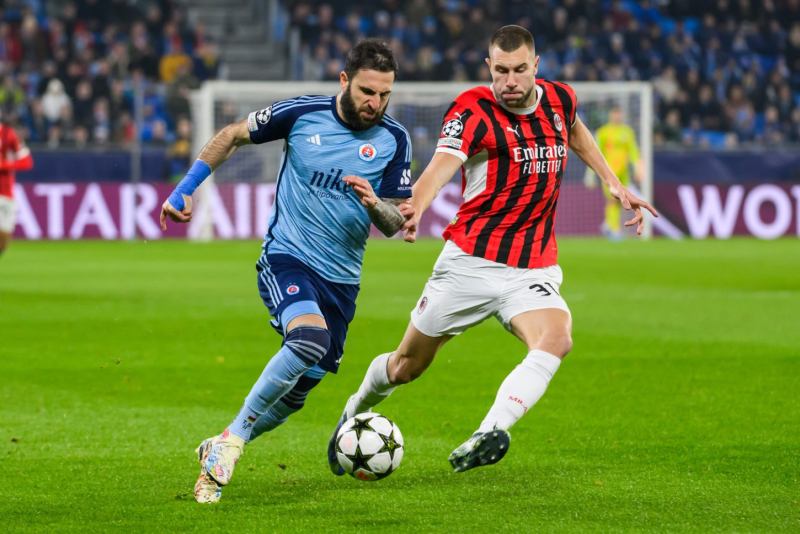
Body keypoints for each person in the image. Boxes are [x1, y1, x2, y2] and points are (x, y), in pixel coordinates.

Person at [328, 26, 658, 475]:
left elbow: (575, 131)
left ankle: (489, 431)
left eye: (520, 70)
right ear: (489, 67)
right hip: (470, 264)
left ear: (536, 66)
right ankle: (354, 410)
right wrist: (415, 207)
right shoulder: (472, 110)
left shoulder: (560, 99)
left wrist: (613, 182)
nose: (510, 81)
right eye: (500, 71)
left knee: (557, 338)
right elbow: (439, 168)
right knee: (406, 366)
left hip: (532, 267)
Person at [160, 39, 414, 502]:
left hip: (342, 280)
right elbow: (231, 135)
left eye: (384, 94)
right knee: (308, 339)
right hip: (287, 257)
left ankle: (222, 442)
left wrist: (375, 204)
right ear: (344, 80)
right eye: (366, 91)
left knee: (296, 395)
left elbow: (396, 221)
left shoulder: (394, 139)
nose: (375, 103)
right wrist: (185, 188)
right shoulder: (301, 114)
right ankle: (232, 444)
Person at [584, 106, 643, 240]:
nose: (617, 117)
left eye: (619, 114)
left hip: (623, 173)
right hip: (608, 172)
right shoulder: (603, 132)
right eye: (615, 114)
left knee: (622, 201)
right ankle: (614, 229)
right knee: (612, 199)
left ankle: (608, 224)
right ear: (610, 116)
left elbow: (633, 151)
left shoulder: (627, 132)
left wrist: (637, 167)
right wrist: (590, 174)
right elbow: (595, 153)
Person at [0, 111, 34, 259]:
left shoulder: (8, 134)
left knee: (4, 241)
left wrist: (4, 165)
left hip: (5, 193)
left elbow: (27, 162)